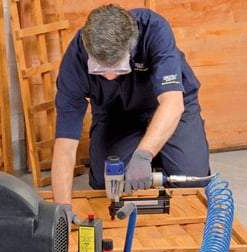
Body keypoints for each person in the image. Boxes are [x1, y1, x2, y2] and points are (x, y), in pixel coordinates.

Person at [51, 4, 210, 223]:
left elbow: (172, 104)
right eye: (100, 70)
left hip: (167, 108)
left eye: (118, 68)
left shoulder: (154, 30)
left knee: (193, 182)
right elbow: (66, 144)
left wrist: (143, 155)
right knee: (106, 184)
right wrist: (62, 208)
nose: (109, 77)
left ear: (131, 48)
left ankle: (156, 154)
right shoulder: (75, 59)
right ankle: (148, 153)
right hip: (117, 114)